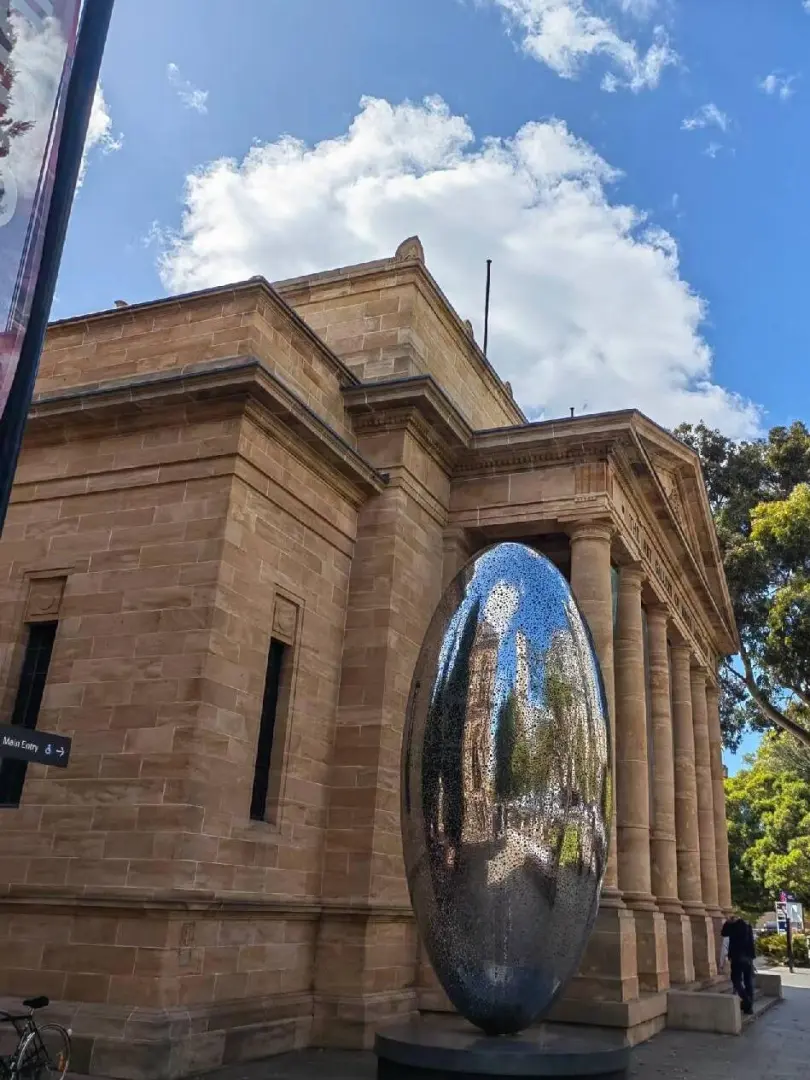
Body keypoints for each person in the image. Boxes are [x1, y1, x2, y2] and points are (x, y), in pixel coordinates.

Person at [721, 913, 756, 1014]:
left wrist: (728, 923)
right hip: (748, 958)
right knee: (748, 982)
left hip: (737, 958)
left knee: (736, 979)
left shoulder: (733, 927)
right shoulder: (747, 926)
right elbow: (751, 943)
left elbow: (723, 933)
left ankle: (747, 1001)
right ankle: (749, 1007)